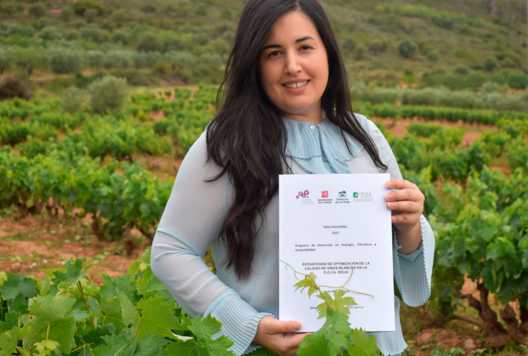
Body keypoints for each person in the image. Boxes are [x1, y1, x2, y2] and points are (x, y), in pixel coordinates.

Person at [150, 0, 435, 355]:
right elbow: (170, 251)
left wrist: (410, 228)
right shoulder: (226, 144)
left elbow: (402, 256)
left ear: (327, 52)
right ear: (254, 64)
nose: (292, 66)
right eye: (273, 53)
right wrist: (247, 325)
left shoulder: (366, 136)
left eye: (304, 47)